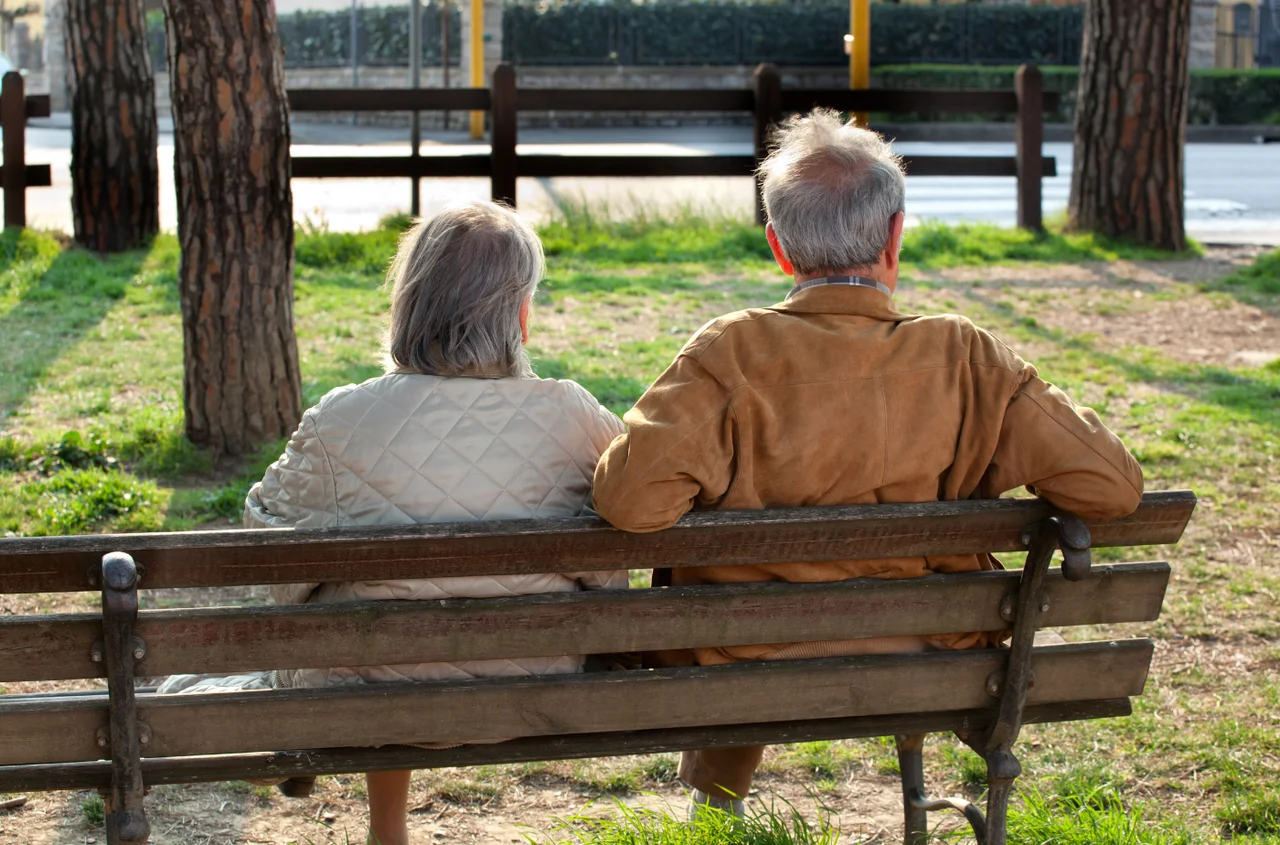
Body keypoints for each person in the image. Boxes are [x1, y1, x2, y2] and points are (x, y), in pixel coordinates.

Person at [590, 109, 1144, 819]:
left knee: (731, 599)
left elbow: (628, 501)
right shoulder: (966, 358)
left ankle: (714, 811)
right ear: (894, 237)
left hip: (746, 663)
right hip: (932, 655)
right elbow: (1114, 486)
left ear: (779, 248)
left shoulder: (730, 352)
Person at [244, 201, 627, 845]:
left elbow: (264, 537)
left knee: (371, 622)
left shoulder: (344, 419)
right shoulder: (574, 414)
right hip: (536, 677)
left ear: (409, 306)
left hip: (365, 688)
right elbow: (616, 545)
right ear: (521, 316)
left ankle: (386, 830)